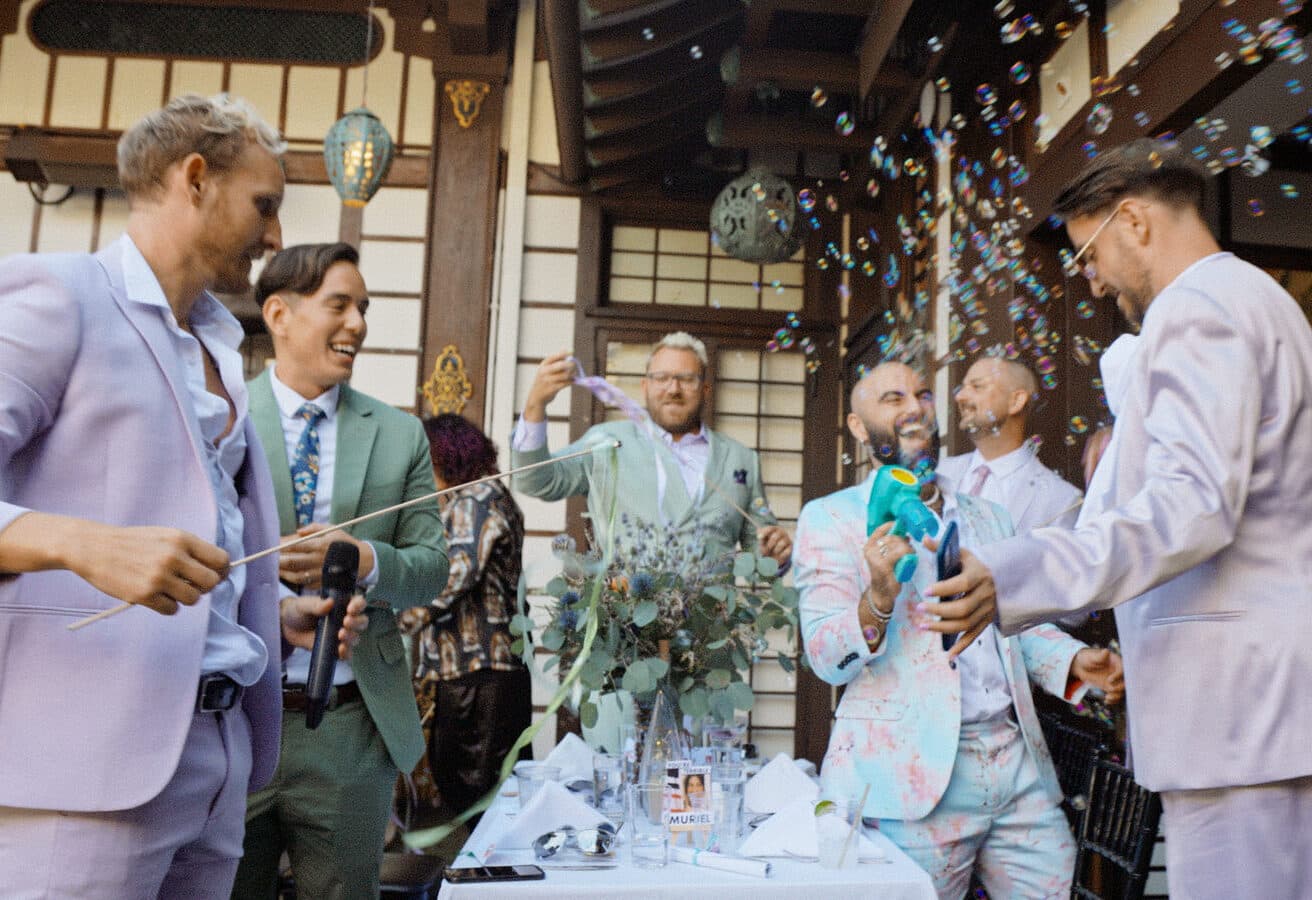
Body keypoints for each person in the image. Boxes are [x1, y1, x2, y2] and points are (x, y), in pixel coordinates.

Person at [0, 95, 367, 898]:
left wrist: (267, 617)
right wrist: (80, 542)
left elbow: (206, 540)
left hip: (218, 762)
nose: (275, 237)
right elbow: (99, 544)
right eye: (265, 205)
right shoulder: (61, 299)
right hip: (82, 769)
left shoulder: (223, 350)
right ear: (195, 179)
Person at [927, 138, 1312, 898]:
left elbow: (1190, 506)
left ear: (1133, 220)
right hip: (1251, 702)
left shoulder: (1201, 309)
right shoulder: (1258, 300)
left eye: (1088, 255)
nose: (1093, 283)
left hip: (1234, 706)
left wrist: (1013, 573)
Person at [795, 361, 1124, 899]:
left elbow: (1011, 625)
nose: (914, 407)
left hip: (1014, 768)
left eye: (922, 394)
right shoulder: (830, 519)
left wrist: (1070, 660)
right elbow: (826, 656)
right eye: (891, 398)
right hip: (907, 776)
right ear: (858, 427)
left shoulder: (990, 516)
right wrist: (877, 599)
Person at [233, 243, 448, 899]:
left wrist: (365, 558)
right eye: (339, 305)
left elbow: (432, 569)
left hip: (349, 725)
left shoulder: (399, 433)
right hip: (234, 716)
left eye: (364, 308)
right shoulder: (223, 419)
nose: (357, 323)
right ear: (279, 313)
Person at [510, 332, 791, 566]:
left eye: (686, 378)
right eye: (661, 378)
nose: (673, 389)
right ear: (645, 386)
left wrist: (774, 554)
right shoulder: (606, 441)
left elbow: (760, 553)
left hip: (710, 629)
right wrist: (536, 404)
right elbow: (535, 480)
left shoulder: (741, 460)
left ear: (705, 389)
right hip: (624, 624)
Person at [401, 413, 531, 823]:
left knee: (479, 798)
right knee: (490, 797)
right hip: (485, 674)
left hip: (478, 673)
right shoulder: (487, 497)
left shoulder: (475, 499)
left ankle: (486, 885)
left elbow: (449, 576)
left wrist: (389, 617)